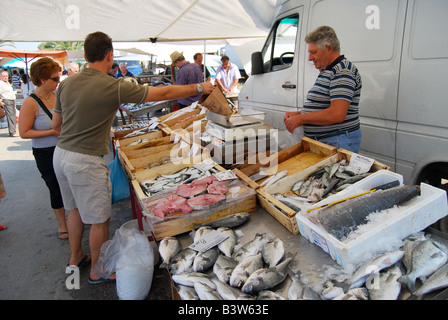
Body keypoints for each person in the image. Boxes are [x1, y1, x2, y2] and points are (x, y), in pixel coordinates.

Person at [52, 31, 214, 284]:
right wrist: (199, 87)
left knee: (73, 210)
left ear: (84, 56)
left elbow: (56, 124)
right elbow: (161, 94)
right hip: (85, 160)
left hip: (60, 154)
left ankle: (76, 258)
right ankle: (97, 270)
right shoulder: (112, 85)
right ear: (109, 56)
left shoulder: (65, 83)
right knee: (98, 219)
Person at [284, 26, 362, 153]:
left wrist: (301, 119)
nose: (310, 58)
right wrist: (299, 114)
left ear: (329, 48)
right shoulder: (328, 70)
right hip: (327, 142)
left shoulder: (343, 71)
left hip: (338, 142)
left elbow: (337, 114)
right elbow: (323, 107)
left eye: (314, 52)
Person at [18, 57, 68, 240]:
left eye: (59, 77)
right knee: (55, 187)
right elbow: (24, 132)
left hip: (64, 148)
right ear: (42, 80)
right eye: (55, 78)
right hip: (45, 153)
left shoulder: (56, 96)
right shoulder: (30, 103)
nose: (58, 81)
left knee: (68, 184)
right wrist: (51, 132)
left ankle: (74, 218)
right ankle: (62, 225)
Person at [0, 70, 18, 137]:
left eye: (6, 76)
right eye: (4, 76)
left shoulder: (7, 83)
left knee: (13, 115)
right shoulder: (1, 84)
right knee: (10, 116)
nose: (5, 77)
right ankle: (12, 132)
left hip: (11, 100)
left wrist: (14, 101)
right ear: (1, 77)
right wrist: (0, 101)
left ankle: (13, 131)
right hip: (6, 100)